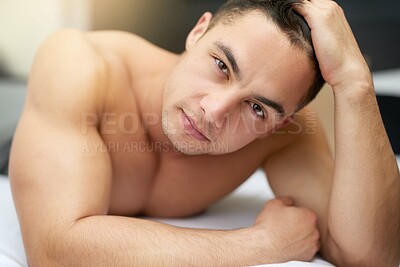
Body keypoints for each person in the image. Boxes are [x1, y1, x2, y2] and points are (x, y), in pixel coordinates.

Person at [9, 0, 400, 266]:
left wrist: (354, 83)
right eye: (221, 66)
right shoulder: (80, 63)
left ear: (279, 123)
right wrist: (259, 245)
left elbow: (366, 255)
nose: (213, 112)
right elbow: (53, 252)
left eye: (257, 108)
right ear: (198, 32)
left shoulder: (286, 134)